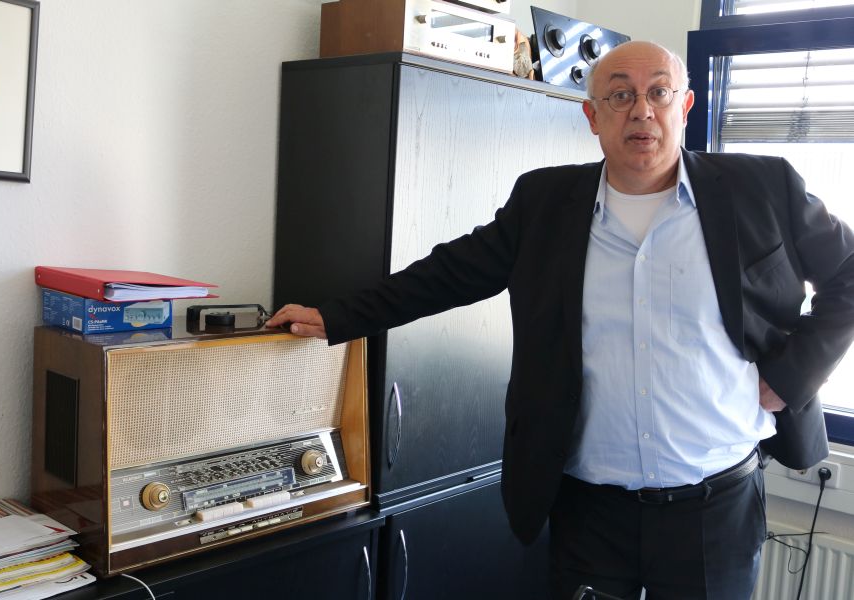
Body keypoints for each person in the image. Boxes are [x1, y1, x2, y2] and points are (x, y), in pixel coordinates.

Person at [267, 41, 854, 599]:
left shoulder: (761, 186)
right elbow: (448, 274)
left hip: (716, 506)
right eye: (619, 96)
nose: (641, 111)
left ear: (686, 104)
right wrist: (335, 315)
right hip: (590, 509)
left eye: (659, 92)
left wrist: (792, 374)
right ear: (592, 116)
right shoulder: (545, 202)